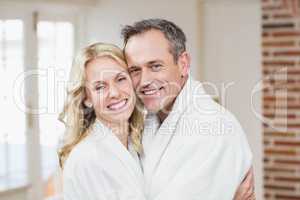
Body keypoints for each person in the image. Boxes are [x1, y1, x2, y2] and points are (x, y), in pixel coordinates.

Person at [122, 18, 255, 200]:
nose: (144, 81)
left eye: (155, 66)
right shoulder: (147, 122)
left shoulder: (215, 127)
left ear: (183, 63)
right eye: (135, 70)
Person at [59, 43, 146, 200]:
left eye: (120, 79)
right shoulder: (87, 159)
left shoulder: (137, 143)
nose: (114, 93)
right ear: (87, 99)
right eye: (100, 87)